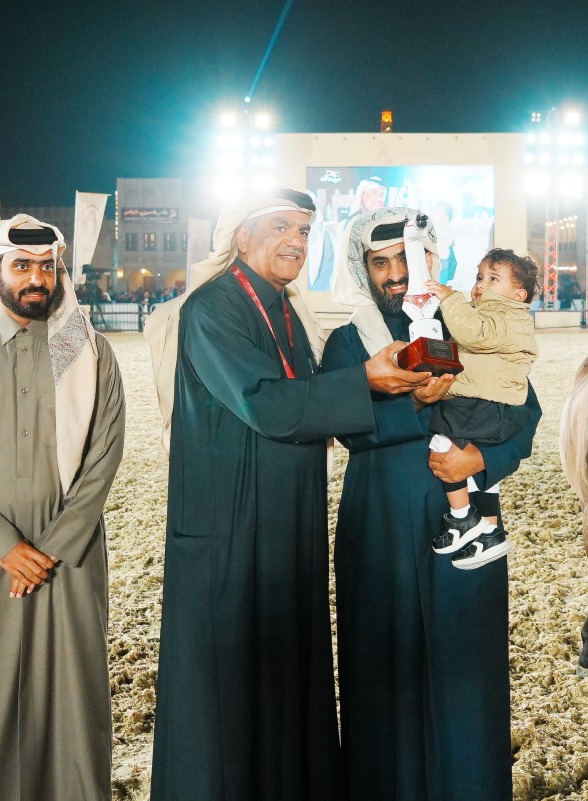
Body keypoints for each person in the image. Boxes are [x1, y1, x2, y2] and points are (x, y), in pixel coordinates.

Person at [144, 190, 430, 801]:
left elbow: (314, 402)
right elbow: (266, 403)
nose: (297, 241)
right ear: (241, 238)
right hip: (229, 533)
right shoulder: (213, 308)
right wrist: (366, 379)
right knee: (226, 704)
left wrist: (383, 384)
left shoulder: (285, 309)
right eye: (281, 227)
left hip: (285, 529)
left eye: (305, 230)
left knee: (282, 689)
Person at [324, 207, 541, 801]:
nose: (397, 273)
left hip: (467, 523)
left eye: (409, 258)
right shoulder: (349, 342)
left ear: (432, 260)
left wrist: (485, 462)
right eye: (382, 262)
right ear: (363, 270)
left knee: (465, 669)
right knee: (380, 670)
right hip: (382, 523)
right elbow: (346, 426)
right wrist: (416, 405)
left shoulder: (474, 326)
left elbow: (527, 413)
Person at [0, 215, 126, 801]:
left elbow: (103, 459)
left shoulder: (87, 354)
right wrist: (4, 546)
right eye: (22, 266)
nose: (37, 278)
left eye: (47, 266)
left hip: (71, 560)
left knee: (73, 710)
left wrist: (52, 548)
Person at [423, 249, 538, 568]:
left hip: (484, 408)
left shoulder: (501, 317)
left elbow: (473, 333)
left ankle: (462, 516)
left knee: (443, 439)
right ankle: (489, 531)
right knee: (481, 475)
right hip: (490, 407)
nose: (480, 285)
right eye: (479, 277)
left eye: (493, 278)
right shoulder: (495, 316)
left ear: (518, 295)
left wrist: (450, 297)